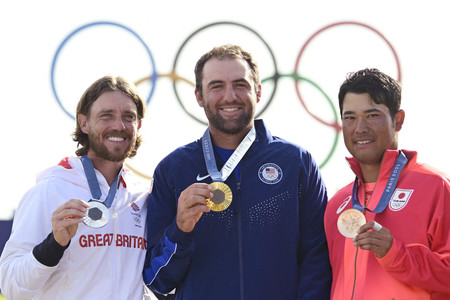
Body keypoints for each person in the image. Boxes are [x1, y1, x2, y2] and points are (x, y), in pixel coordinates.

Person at [143, 44, 331, 299]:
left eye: (240, 84)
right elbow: (156, 281)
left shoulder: (297, 163)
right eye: (216, 86)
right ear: (199, 96)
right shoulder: (173, 169)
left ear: (258, 91)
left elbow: (318, 261)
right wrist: (180, 229)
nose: (230, 96)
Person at [0, 76, 152, 299]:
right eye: (106, 115)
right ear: (84, 123)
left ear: (138, 126)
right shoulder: (50, 190)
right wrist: (54, 244)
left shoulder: (143, 196)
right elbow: (10, 284)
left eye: (128, 117)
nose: (118, 126)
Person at [324, 68, 450, 299]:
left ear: (398, 120)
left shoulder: (436, 187)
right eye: (349, 117)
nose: (360, 128)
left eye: (372, 115)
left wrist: (396, 253)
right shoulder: (337, 204)